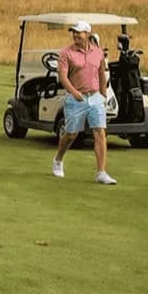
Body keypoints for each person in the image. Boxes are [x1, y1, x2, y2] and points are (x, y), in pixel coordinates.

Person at [53, 20, 118, 185]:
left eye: (79, 32)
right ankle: (58, 159)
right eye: (74, 32)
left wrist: (103, 96)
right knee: (71, 134)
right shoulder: (66, 53)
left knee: (100, 132)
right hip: (76, 98)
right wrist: (73, 92)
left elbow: (102, 74)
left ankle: (101, 172)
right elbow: (63, 76)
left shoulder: (97, 52)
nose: (75, 35)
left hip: (95, 97)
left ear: (88, 34)